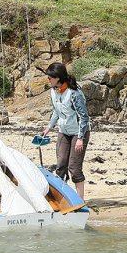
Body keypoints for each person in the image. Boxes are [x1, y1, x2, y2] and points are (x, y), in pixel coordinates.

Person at [42, 62, 90, 200]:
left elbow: (84, 117)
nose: (48, 79)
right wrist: (48, 128)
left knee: (74, 168)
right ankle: (61, 197)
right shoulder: (53, 91)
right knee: (61, 165)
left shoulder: (74, 93)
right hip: (63, 131)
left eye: (50, 77)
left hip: (79, 133)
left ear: (58, 77)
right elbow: (56, 112)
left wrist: (80, 138)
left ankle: (79, 200)